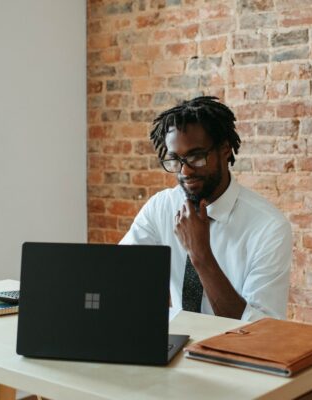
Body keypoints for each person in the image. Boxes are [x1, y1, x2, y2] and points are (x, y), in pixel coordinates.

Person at [120, 96, 292, 321]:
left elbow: (259, 331)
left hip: (235, 351)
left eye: (197, 157)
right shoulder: (160, 208)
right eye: (175, 160)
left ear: (225, 150)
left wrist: (200, 254)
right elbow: (120, 274)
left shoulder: (268, 228)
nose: (185, 171)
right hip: (175, 344)